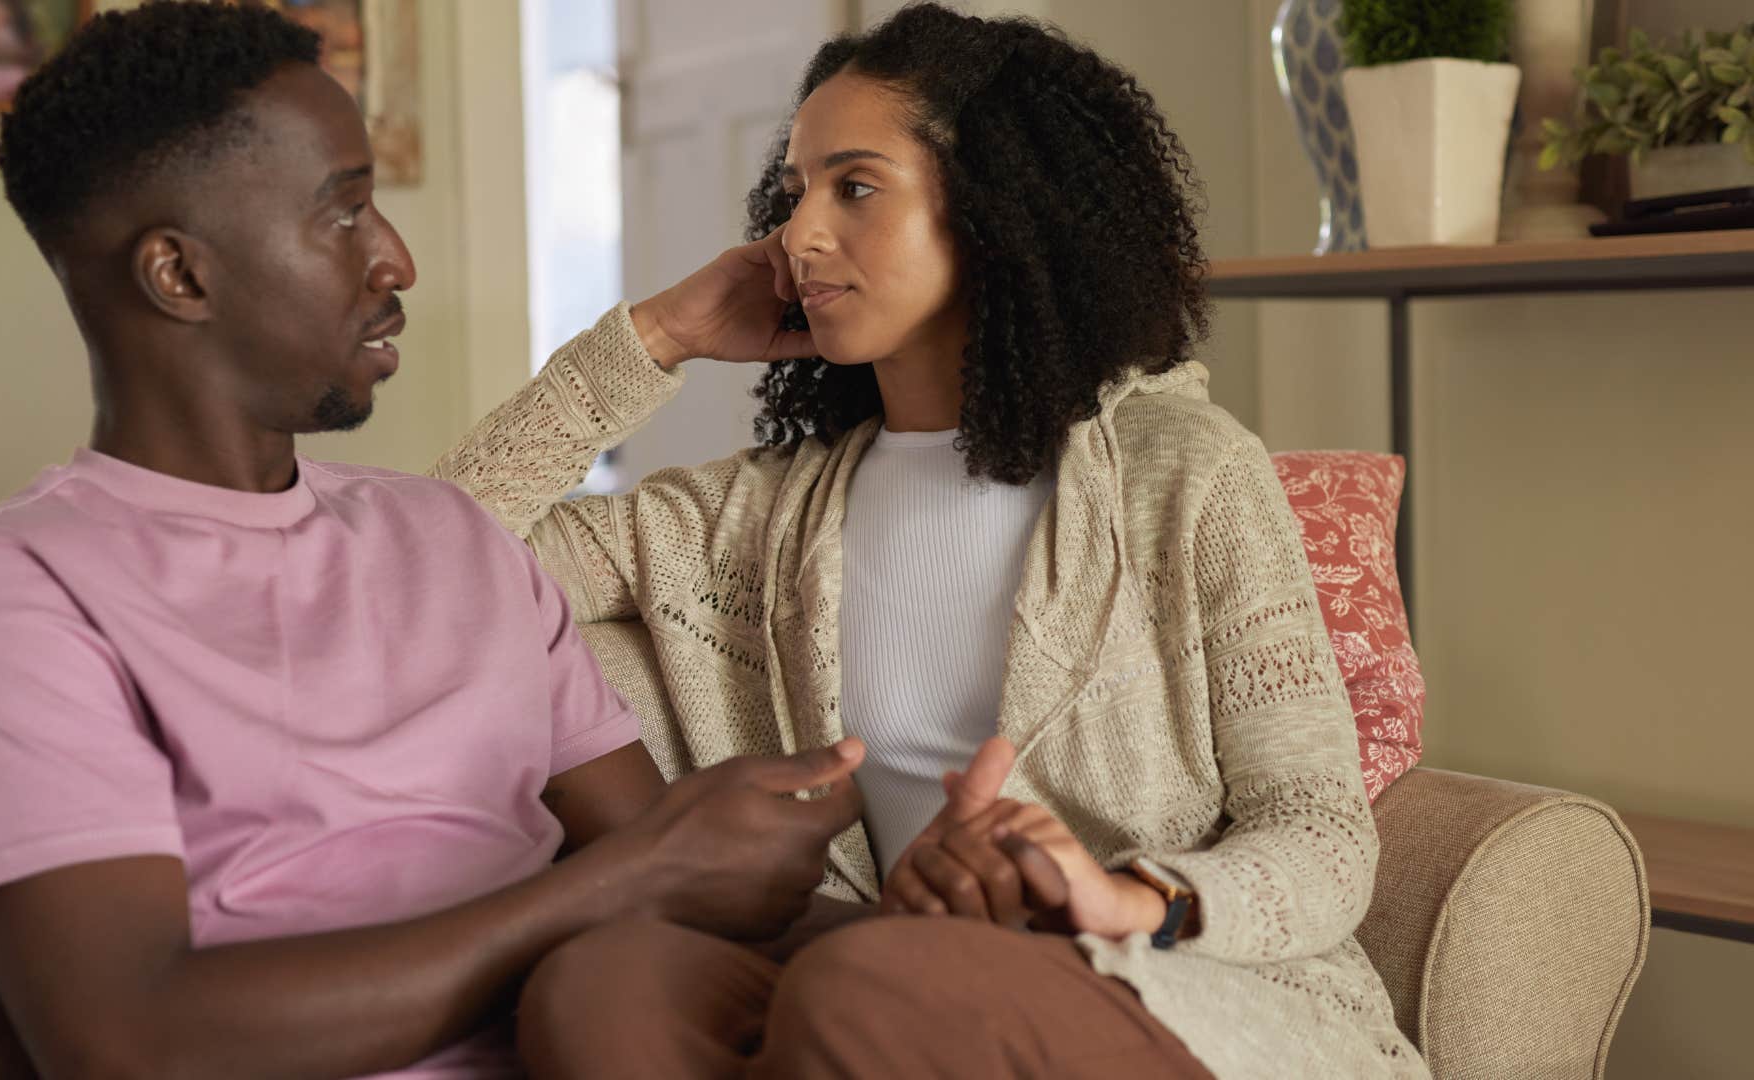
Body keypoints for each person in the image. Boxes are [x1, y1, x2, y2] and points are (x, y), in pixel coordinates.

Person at [432, 4, 1431, 1077]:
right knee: (606, 982)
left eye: (853, 187)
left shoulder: (1186, 474)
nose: (798, 234)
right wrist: (655, 339)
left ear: (994, 212)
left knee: (865, 989)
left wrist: (1129, 895)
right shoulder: (752, 521)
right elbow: (432, 573)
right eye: (794, 192)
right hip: (872, 967)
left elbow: (1322, 832)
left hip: (1163, 988)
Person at [0, 4, 885, 1078]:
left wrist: (978, 926)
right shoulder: (22, 595)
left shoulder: (451, 536)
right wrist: (617, 887)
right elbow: (129, 1038)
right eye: (345, 214)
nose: (398, 262)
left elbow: (688, 893)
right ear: (179, 276)